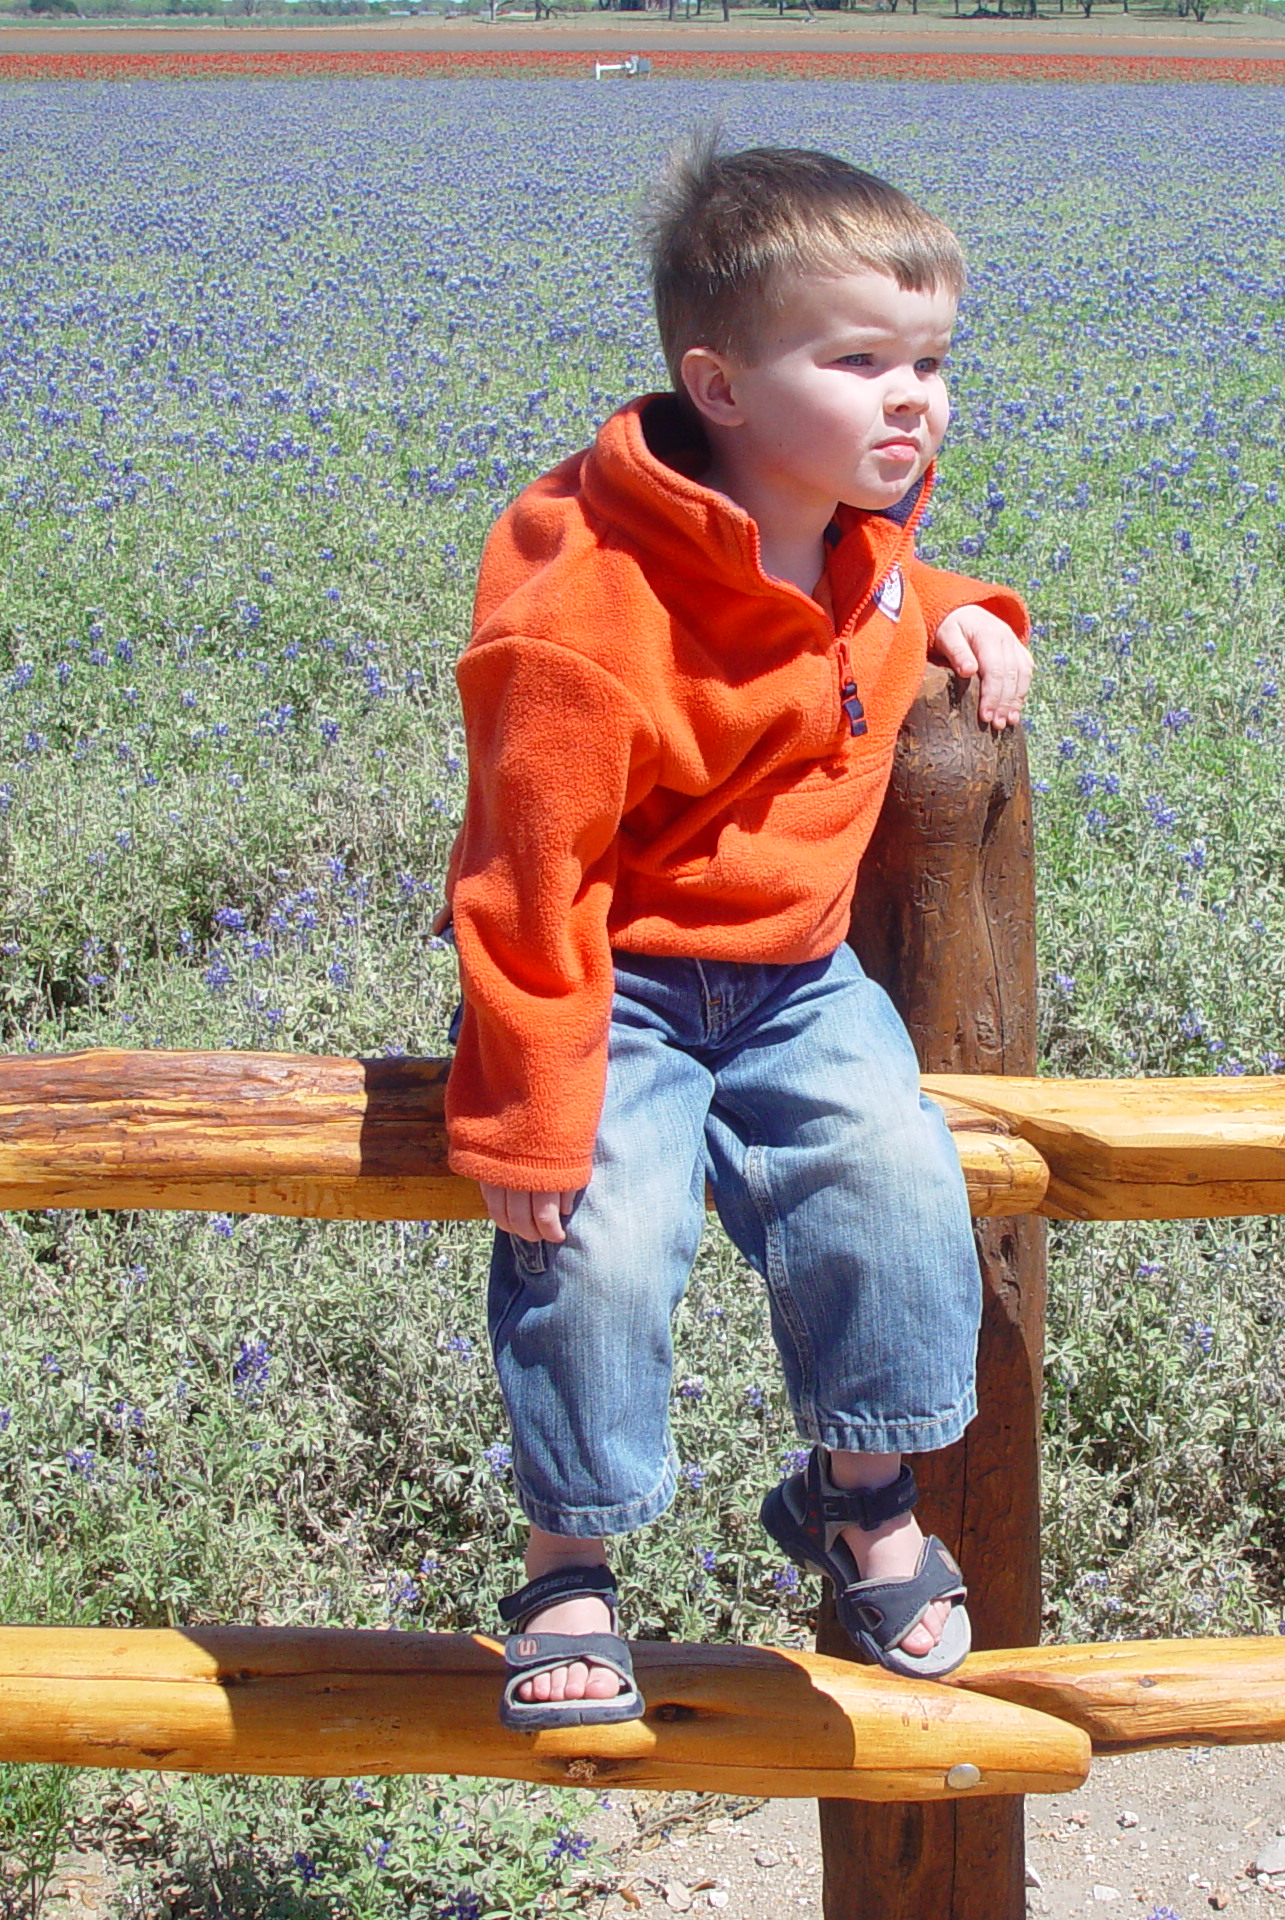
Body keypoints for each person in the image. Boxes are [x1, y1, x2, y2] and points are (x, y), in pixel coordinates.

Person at [430, 138, 1034, 1730]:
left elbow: (867, 595)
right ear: (721, 384)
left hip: (794, 981)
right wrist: (531, 1102)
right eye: (859, 363)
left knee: (897, 1186)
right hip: (613, 982)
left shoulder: (842, 523)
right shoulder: (587, 608)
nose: (915, 400)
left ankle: (859, 1492)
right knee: (594, 1237)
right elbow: (526, 868)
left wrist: (968, 604)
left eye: (931, 363)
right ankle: (569, 1561)